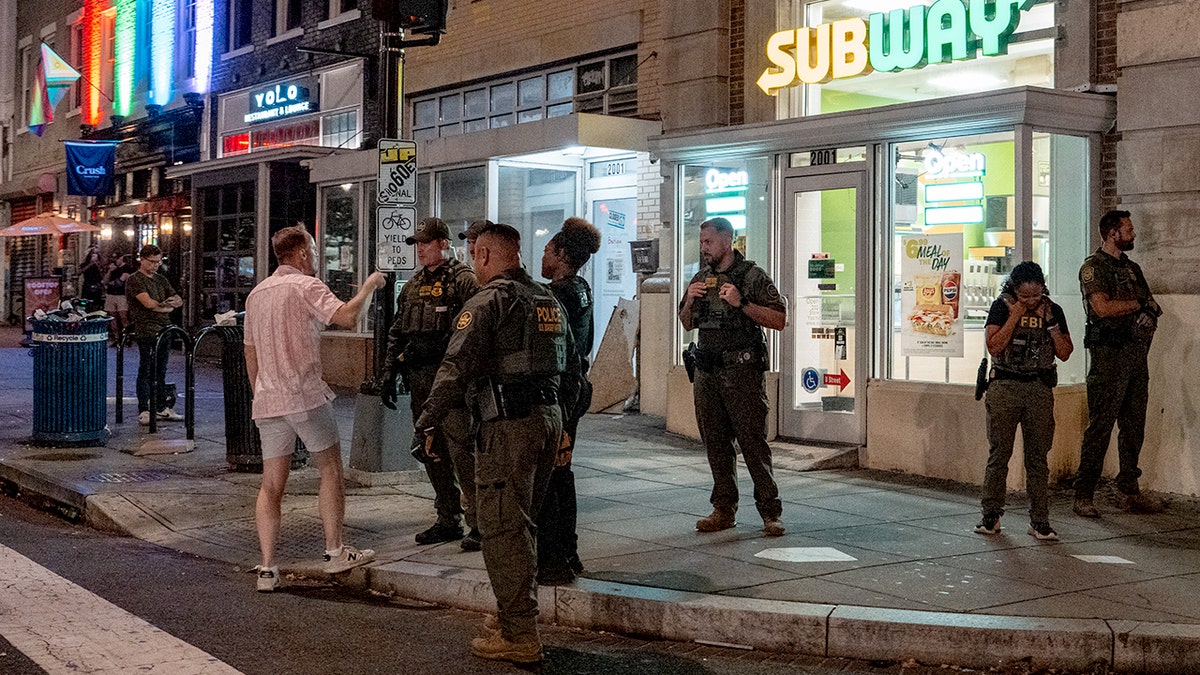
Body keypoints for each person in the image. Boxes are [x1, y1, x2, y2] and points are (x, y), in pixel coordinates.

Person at [415, 222, 573, 664]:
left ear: (484, 256)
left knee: (503, 528)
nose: (471, 262)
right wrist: (564, 429)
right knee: (522, 524)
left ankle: (520, 636)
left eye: (473, 254)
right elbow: (574, 369)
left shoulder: (489, 301)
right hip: (547, 419)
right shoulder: (549, 300)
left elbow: (454, 368)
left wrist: (425, 424)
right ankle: (512, 615)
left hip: (508, 425)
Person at [244, 225, 387, 593]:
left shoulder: (257, 295)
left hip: (269, 399)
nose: (317, 256)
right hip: (305, 395)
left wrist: (260, 391)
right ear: (303, 254)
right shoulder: (306, 286)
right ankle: (335, 550)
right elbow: (346, 317)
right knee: (330, 469)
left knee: (272, 483)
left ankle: (267, 568)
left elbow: (251, 352)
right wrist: (369, 286)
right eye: (315, 249)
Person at [678, 217, 787, 537]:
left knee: (753, 443)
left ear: (727, 242)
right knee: (715, 443)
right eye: (701, 243)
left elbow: (779, 319)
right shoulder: (700, 278)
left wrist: (743, 303)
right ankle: (723, 509)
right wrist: (688, 298)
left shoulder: (751, 276)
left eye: (708, 242)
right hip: (707, 371)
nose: (703, 248)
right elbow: (686, 324)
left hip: (741, 372)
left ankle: (770, 511)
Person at [381, 217, 481, 549]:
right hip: (421, 381)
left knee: (462, 452)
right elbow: (396, 331)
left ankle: (479, 522)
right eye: (417, 244)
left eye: (426, 243)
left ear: (442, 243)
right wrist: (388, 374)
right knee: (431, 451)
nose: (420, 249)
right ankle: (447, 518)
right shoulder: (412, 285)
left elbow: (476, 330)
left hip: (451, 384)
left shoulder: (463, 280)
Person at [1073, 210, 1165, 518]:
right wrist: (1137, 305)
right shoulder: (1093, 268)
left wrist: (1146, 313)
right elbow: (1101, 308)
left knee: (1134, 425)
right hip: (1108, 357)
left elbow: (1152, 304)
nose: (1134, 234)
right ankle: (1083, 494)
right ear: (1113, 233)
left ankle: (1128, 487)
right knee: (1100, 426)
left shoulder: (1132, 269)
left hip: (1136, 354)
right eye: (1129, 229)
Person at [975, 261, 1073, 541]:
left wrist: (1052, 324)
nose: (1031, 301)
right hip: (1005, 386)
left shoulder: (1053, 310)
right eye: (1025, 296)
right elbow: (994, 345)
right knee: (999, 454)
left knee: (1038, 458)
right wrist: (1015, 314)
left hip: (1038, 388)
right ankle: (990, 515)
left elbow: (1065, 352)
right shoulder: (1002, 307)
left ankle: (1040, 520)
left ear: (1043, 287)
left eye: (1036, 294)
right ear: (1014, 290)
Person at [534, 217, 599, 586]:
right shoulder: (581, 287)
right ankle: (568, 551)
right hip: (574, 389)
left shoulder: (559, 294)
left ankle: (557, 555)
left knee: (553, 476)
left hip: (561, 392)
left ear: (560, 254)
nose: (543, 255)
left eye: (547, 249)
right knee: (562, 472)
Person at [126, 244, 184, 425]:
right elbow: (148, 303)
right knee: (147, 369)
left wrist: (166, 304)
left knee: (161, 370)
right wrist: (165, 306)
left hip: (165, 328)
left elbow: (178, 300)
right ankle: (144, 409)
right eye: (152, 262)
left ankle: (161, 407)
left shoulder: (161, 279)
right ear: (142, 260)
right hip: (147, 329)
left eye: (158, 262)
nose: (155, 266)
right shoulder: (135, 280)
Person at [104, 254, 135, 344]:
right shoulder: (113, 269)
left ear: (122, 258)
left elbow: (119, 283)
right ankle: (116, 338)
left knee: (123, 316)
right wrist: (110, 271)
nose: (116, 260)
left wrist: (111, 283)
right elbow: (105, 281)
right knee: (112, 317)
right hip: (111, 295)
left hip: (122, 295)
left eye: (117, 258)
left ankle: (127, 337)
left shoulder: (127, 269)